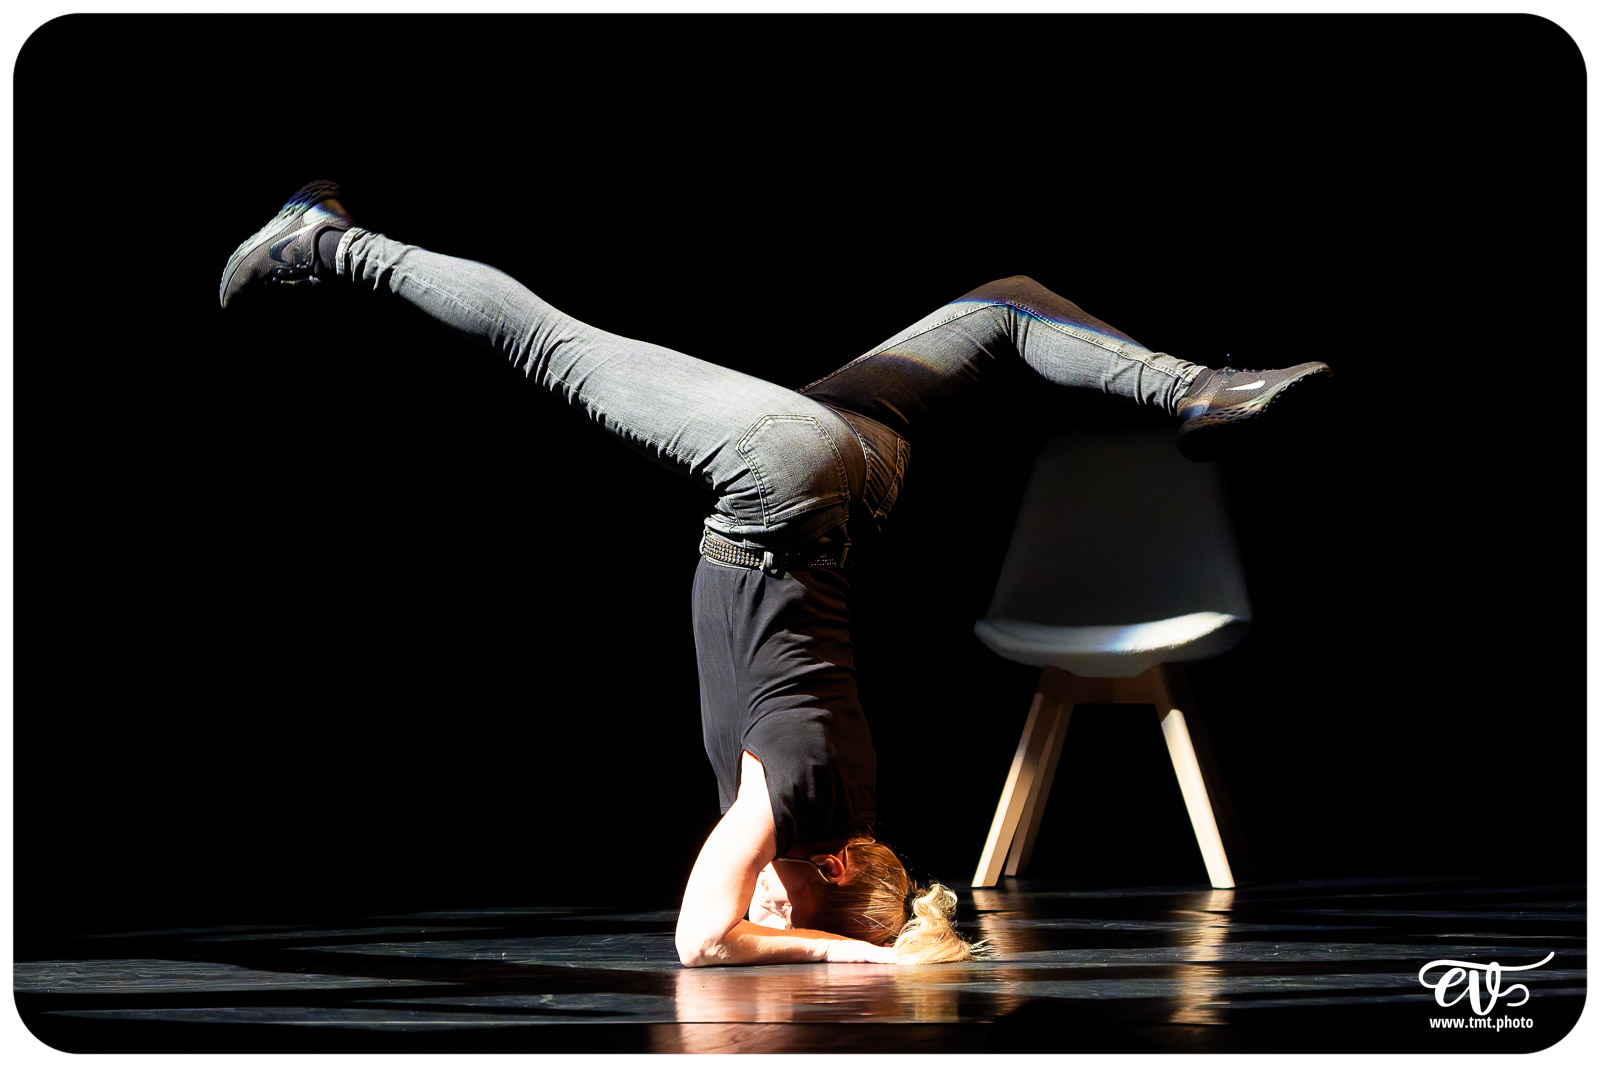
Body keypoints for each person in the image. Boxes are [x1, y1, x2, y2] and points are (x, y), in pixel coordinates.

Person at [219, 182, 1331, 967]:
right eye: (799, 901)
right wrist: (851, 962)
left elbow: (757, 909)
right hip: (779, 478)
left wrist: (856, 931)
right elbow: (704, 938)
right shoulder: (796, 800)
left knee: (1000, 305)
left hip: (854, 475)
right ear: (841, 860)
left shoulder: (839, 796)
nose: (766, 897)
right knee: (546, 344)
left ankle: (1192, 386)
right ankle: (324, 241)